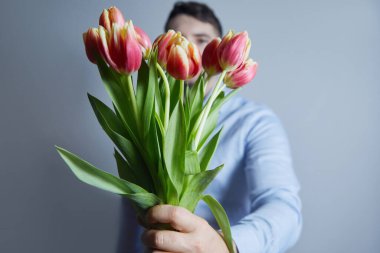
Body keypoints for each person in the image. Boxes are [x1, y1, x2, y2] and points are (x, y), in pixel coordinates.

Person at [117, 2, 302, 253]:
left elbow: (284, 208)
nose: (187, 47)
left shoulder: (255, 122)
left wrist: (226, 245)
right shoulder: (146, 121)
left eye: (202, 40)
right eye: (177, 39)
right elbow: (132, 220)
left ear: (219, 50)